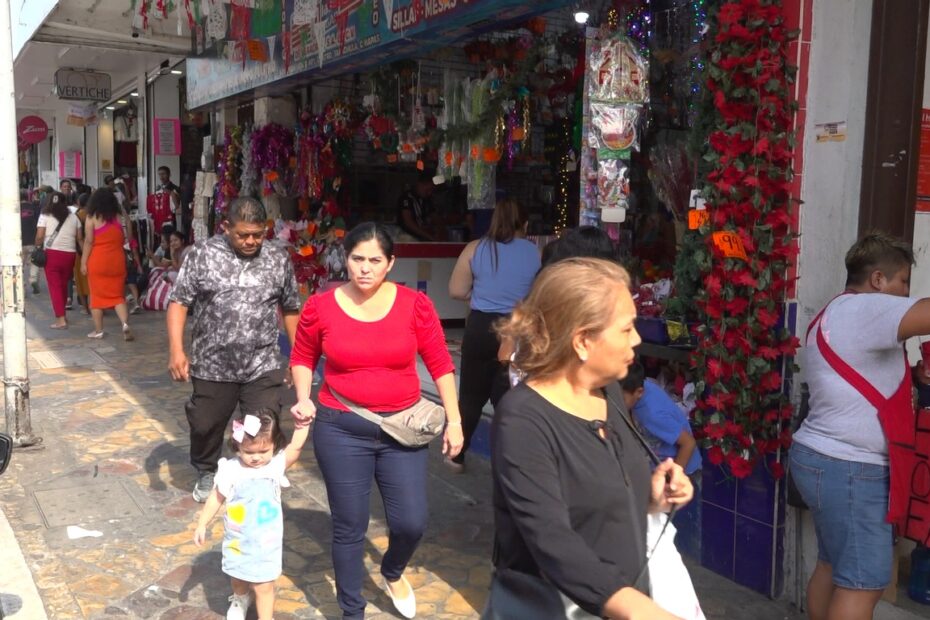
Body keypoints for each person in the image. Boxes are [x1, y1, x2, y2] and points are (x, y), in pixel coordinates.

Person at [487, 257, 692, 619]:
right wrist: (641, 611)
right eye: (626, 329)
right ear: (582, 340)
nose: (638, 339)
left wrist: (652, 498)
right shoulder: (522, 419)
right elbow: (551, 539)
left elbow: (598, 497)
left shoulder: (608, 392)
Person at [289, 222, 464, 620]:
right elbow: (302, 356)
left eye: (374, 260)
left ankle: (392, 570)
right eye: (357, 259)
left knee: (411, 523)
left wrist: (454, 420)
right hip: (340, 428)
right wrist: (302, 398)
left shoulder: (415, 305)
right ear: (345, 259)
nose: (365, 268)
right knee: (349, 526)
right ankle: (352, 611)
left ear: (390, 263)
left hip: (402, 431)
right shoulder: (321, 306)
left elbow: (440, 362)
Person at [789, 232, 930, 620]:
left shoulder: (836, 312)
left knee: (832, 566)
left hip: (822, 460)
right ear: (878, 280)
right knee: (863, 584)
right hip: (851, 470)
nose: (906, 294)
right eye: (903, 282)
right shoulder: (868, 307)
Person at [168, 197, 301, 503]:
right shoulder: (202, 254)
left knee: (262, 425)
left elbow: (291, 307)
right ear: (226, 227)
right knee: (205, 424)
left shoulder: (277, 258)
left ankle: (256, 478)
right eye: (243, 235)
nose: (251, 241)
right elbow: (179, 302)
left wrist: (297, 357)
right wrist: (176, 349)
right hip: (212, 363)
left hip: (262, 362)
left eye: (258, 234)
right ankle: (207, 470)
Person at [447, 199, 540, 471]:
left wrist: (481, 295)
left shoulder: (474, 248)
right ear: (525, 225)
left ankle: (456, 456)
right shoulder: (535, 252)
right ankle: (513, 462)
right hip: (517, 329)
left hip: (480, 326)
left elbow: (456, 290)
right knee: (511, 399)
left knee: (470, 397)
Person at [194, 408, 310, 620]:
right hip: (238, 539)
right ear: (237, 447)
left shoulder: (275, 465)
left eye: (263, 451)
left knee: (264, 585)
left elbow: (295, 447)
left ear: (274, 446)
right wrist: (202, 523)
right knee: (238, 576)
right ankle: (240, 598)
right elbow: (216, 497)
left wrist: (302, 426)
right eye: (249, 452)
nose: (256, 457)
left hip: (267, 542)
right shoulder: (231, 469)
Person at [621, 362, 701, 476]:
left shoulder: (651, 414)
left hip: (684, 471)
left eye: (622, 399)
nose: (617, 402)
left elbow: (689, 443)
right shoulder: (643, 386)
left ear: (639, 392)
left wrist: (672, 480)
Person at [81, 188, 133, 340]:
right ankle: (124, 324)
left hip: (98, 261)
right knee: (118, 296)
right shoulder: (120, 217)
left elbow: (89, 241)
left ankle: (98, 331)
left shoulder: (91, 217)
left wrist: (83, 262)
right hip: (117, 260)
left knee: (96, 297)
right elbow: (128, 238)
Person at [35, 192, 82, 329]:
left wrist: (37, 246)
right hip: (70, 255)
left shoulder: (45, 215)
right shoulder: (74, 217)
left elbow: (40, 236)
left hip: (52, 254)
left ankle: (61, 319)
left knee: (54, 287)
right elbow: (79, 238)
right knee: (63, 284)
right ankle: (63, 316)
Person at [397, 171, 438, 241]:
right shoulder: (406, 198)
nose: (429, 193)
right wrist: (429, 237)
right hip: (407, 238)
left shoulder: (428, 199)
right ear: (420, 185)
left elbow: (435, 217)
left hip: (424, 237)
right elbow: (408, 222)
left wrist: (440, 229)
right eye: (428, 190)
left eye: (432, 190)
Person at [148, 166, 180, 247]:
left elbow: (177, 206)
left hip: (169, 220)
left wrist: (170, 193)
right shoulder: (158, 189)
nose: (161, 177)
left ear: (169, 174)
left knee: (170, 242)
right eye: (159, 174)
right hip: (158, 219)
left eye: (163, 174)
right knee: (159, 242)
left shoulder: (175, 188)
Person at [72, 193, 92, 316]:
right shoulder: (94, 215)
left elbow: (78, 237)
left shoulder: (77, 216)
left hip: (79, 253)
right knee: (92, 280)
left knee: (80, 281)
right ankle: (96, 305)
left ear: (79, 203)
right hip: (94, 250)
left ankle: (85, 308)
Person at [20, 189, 41, 295]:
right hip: (33, 240)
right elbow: (40, 224)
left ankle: (22, 288)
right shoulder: (34, 208)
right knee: (34, 262)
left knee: (20, 266)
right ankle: (33, 280)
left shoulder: (15, 209)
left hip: (19, 242)